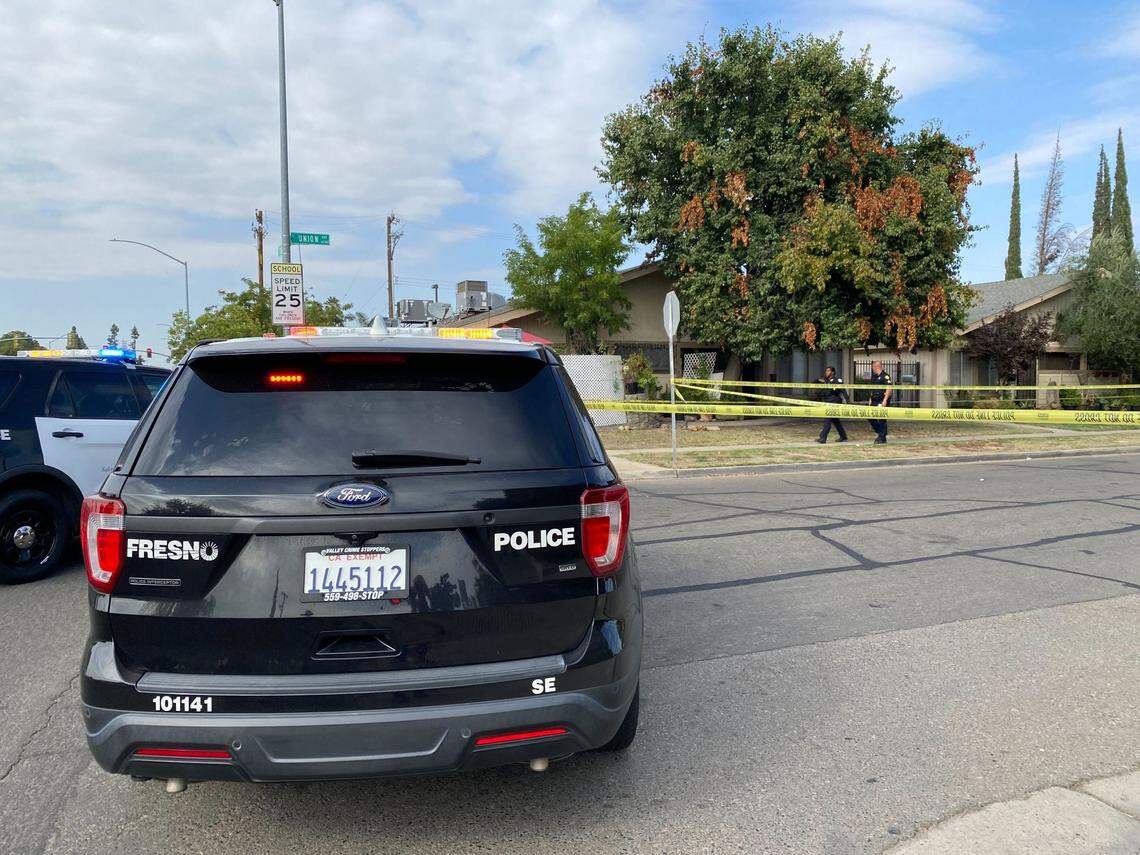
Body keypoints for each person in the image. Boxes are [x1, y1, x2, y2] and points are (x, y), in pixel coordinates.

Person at [815, 366, 849, 443]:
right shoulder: (826, 380)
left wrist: (848, 401)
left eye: (828, 371)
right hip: (828, 401)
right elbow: (814, 382)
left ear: (832, 372)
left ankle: (823, 438)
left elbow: (843, 391)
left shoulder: (837, 380)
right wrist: (819, 380)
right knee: (835, 420)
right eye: (826, 371)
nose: (826, 372)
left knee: (827, 419)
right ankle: (843, 436)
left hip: (834, 402)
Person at [867, 360, 893, 443]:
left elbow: (889, 388)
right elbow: (872, 388)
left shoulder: (885, 376)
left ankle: (882, 437)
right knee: (870, 416)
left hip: (882, 400)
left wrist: (885, 400)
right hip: (874, 399)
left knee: (882, 418)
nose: (872, 369)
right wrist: (870, 399)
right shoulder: (874, 376)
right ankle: (881, 433)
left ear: (876, 366)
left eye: (873, 367)